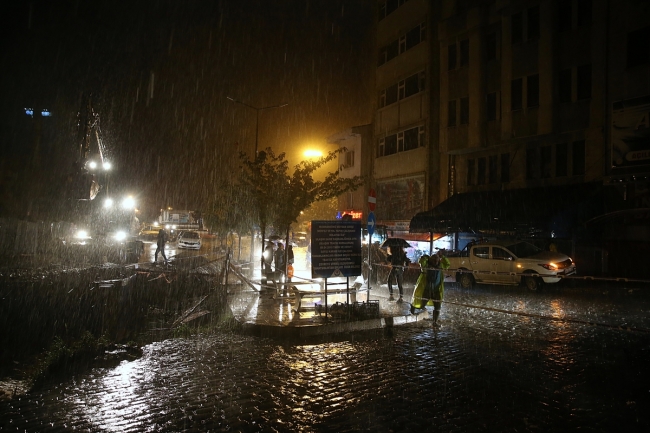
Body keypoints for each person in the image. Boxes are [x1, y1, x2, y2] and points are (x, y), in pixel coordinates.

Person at [411, 249, 450, 325]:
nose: (435, 261)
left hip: (436, 290)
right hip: (426, 290)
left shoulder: (440, 266)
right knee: (421, 305)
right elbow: (421, 260)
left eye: (437, 260)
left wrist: (443, 256)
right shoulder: (426, 266)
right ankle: (412, 307)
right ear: (430, 260)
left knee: (437, 307)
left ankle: (434, 322)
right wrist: (427, 257)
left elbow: (447, 264)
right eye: (434, 260)